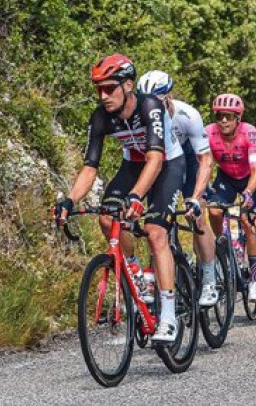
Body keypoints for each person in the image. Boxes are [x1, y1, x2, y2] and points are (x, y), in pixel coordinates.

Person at [55, 54, 183, 343]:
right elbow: (90, 168)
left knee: (156, 232)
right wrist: (69, 200)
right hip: (133, 165)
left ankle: (169, 317)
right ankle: (136, 272)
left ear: (127, 86)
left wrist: (137, 196)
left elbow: (155, 160)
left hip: (166, 163)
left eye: (109, 87)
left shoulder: (149, 106)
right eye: (98, 88)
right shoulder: (101, 116)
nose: (103, 95)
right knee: (106, 217)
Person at [137, 70, 218, 306]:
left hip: (190, 159)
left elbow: (205, 160)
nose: (150, 104)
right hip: (162, 163)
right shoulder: (141, 116)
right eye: (145, 99)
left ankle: (210, 280)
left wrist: (195, 196)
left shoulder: (187, 115)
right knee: (157, 225)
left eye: (157, 99)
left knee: (198, 215)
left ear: (169, 96)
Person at [205, 94, 256, 301]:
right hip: (227, 177)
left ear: (238, 118)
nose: (223, 121)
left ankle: (255, 280)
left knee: (249, 223)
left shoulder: (250, 133)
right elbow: (204, 164)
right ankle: (223, 241)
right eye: (220, 116)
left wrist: (248, 193)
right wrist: (202, 188)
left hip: (250, 177)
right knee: (213, 209)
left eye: (229, 117)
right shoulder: (209, 133)